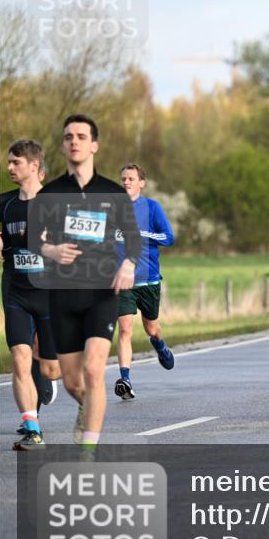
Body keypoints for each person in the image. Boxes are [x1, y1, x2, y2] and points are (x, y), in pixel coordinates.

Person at [32, 115, 141, 453]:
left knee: (94, 370)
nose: (74, 141)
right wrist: (51, 249)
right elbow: (35, 240)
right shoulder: (50, 193)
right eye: (68, 137)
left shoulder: (112, 192)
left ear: (94, 144)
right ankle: (84, 406)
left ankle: (88, 456)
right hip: (63, 294)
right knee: (72, 381)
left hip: (102, 292)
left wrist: (128, 263)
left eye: (81, 136)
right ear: (63, 145)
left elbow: (134, 240)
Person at [0, 140, 63, 449]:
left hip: (51, 294)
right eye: (9, 162)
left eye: (16, 162)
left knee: (50, 366)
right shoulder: (4, 204)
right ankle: (31, 424)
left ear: (35, 166)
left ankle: (47, 378)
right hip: (16, 291)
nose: (10, 167)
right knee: (20, 356)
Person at [113, 164, 176, 400]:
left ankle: (160, 345)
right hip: (123, 281)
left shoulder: (152, 207)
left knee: (151, 327)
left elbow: (169, 237)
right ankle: (125, 379)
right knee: (125, 329)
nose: (126, 182)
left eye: (131, 179)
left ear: (141, 183)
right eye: (123, 179)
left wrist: (143, 234)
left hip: (148, 279)